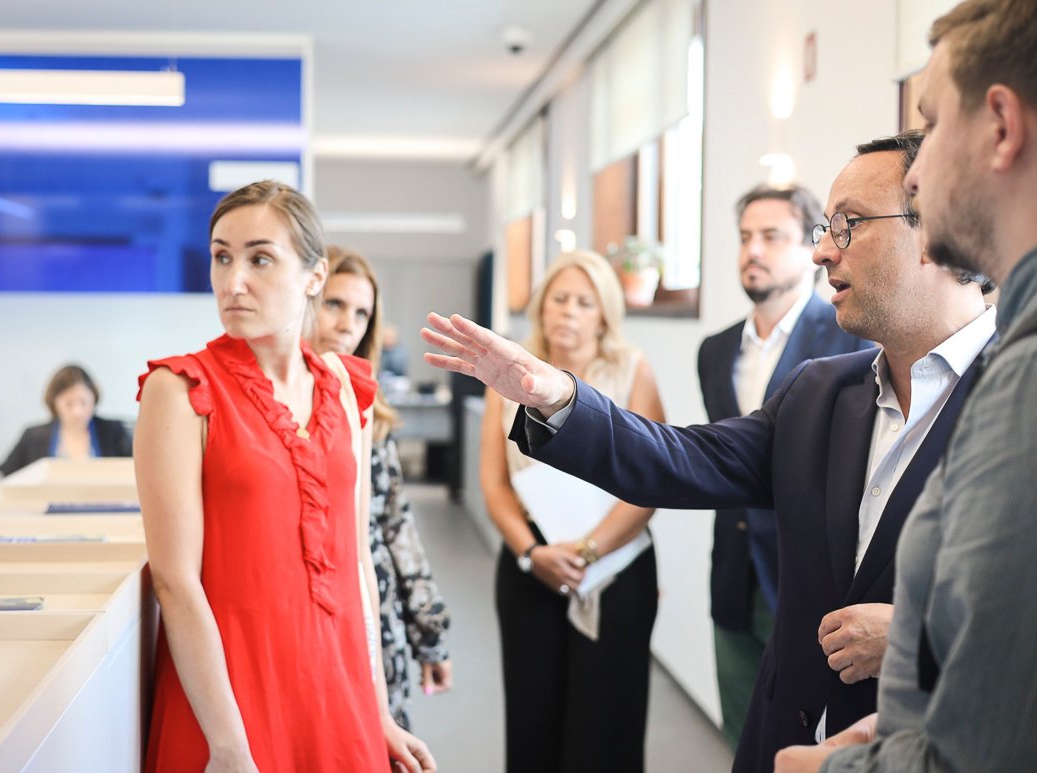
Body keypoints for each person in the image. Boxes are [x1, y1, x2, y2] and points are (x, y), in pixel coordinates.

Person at [421, 131, 996, 773]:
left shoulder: (1016, 401)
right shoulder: (820, 391)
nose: (822, 252)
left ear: (937, 226)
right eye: (825, 229)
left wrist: (921, 637)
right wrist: (559, 396)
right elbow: (684, 459)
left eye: (849, 224)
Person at [776, 1, 1037, 770]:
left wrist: (838, 768)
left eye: (932, 124)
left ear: (1000, 126)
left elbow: (983, 747)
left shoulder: (1019, 379)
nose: (916, 174)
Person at [134, 180, 434, 772]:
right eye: (222, 257)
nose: (233, 281)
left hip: (338, 688)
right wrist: (227, 745)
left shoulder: (345, 386)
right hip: (230, 696)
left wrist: (377, 709)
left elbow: (356, 565)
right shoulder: (181, 389)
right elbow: (175, 582)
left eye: (260, 259)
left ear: (314, 276)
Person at [699, 184, 873, 749]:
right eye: (745, 237)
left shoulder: (849, 342)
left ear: (810, 246)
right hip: (733, 576)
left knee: (802, 745)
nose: (753, 250)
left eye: (772, 236)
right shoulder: (715, 350)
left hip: (809, 585)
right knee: (741, 738)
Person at [481, 249, 666, 773]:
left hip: (614, 567)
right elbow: (494, 484)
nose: (568, 311)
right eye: (559, 298)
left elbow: (651, 482)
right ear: (541, 306)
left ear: (604, 315)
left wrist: (588, 551)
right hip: (531, 563)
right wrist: (531, 552)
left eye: (585, 302)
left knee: (605, 728)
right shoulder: (509, 375)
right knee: (532, 719)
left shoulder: (633, 371)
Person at [311, 244, 453, 731]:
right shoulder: (272, 404)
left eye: (361, 313)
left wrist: (430, 633)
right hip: (307, 617)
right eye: (334, 304)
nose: (346, 324)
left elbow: (397, 527)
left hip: (375, 616)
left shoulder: (368, 407)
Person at [0, 363, 132, 499]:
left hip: (106, 510)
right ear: (54, 403)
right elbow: (3, 472)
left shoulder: (114, 432)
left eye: (83, 402)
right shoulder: (34, 436)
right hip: (46, 515)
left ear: (94, 398)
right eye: (69, 403)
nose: (77, 412)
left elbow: (134, 473)